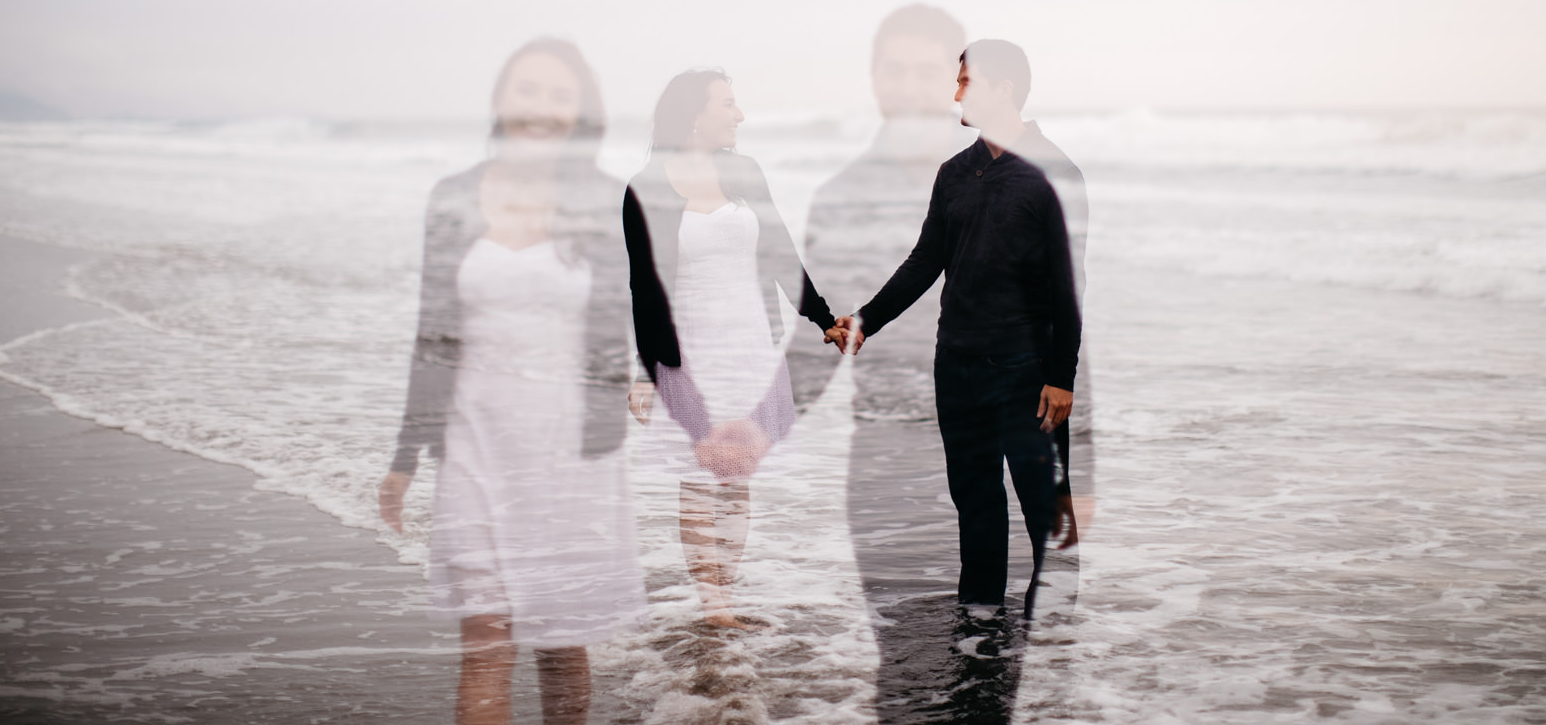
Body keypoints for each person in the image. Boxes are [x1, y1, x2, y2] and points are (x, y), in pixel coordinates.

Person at [377, 38, 644, 725]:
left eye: (561, 96)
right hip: (477, 444)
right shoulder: (455, 197)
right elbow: (432, 330)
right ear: (501, 99)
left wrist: (639, 381)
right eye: (529, 90)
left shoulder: (609, 200)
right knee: (487, 638)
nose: (542, 108)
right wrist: (406, 457)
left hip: (571, 456)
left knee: (561, 641)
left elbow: (627, 312)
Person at [824, 37, 1091, 722]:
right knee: (974, 502)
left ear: (1000, 89)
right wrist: (866, 322)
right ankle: (980, 638)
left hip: (1027, 372)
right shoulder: (955, 173)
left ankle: (1053, 659)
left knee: (1042, 517)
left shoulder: (1053, 172)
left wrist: (1060, 378)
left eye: (965, 82)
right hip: (959, 364)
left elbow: (1069, 288)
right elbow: (926, 261)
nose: (954, 95)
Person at [623, 69, 841, 628]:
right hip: (688, 351)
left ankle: (726, 593)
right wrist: (643, 371)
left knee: (736, 472)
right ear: (695, 114)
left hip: (748, 347)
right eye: (728, 104)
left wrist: (822, 319)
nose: (739, 115)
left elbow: (780, 254)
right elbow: (643, 288)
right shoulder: (645, 188)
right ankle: (713, 606)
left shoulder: (745, 172)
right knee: (698, 477)